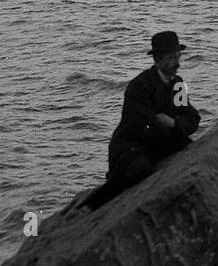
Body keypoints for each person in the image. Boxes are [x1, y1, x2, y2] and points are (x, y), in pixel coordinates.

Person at [80, 31, 202, 211]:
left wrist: (174, 123)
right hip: (131, 145)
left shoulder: (177, 85)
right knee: (138, 170)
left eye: (178, 56)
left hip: (162, 141)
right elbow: (146, 125)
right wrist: (175, 128)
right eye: (171, 58)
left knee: (191, 150)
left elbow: (191, 117)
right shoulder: (140, 86)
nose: (177, 63)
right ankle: (92, 206)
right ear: (158, 59)